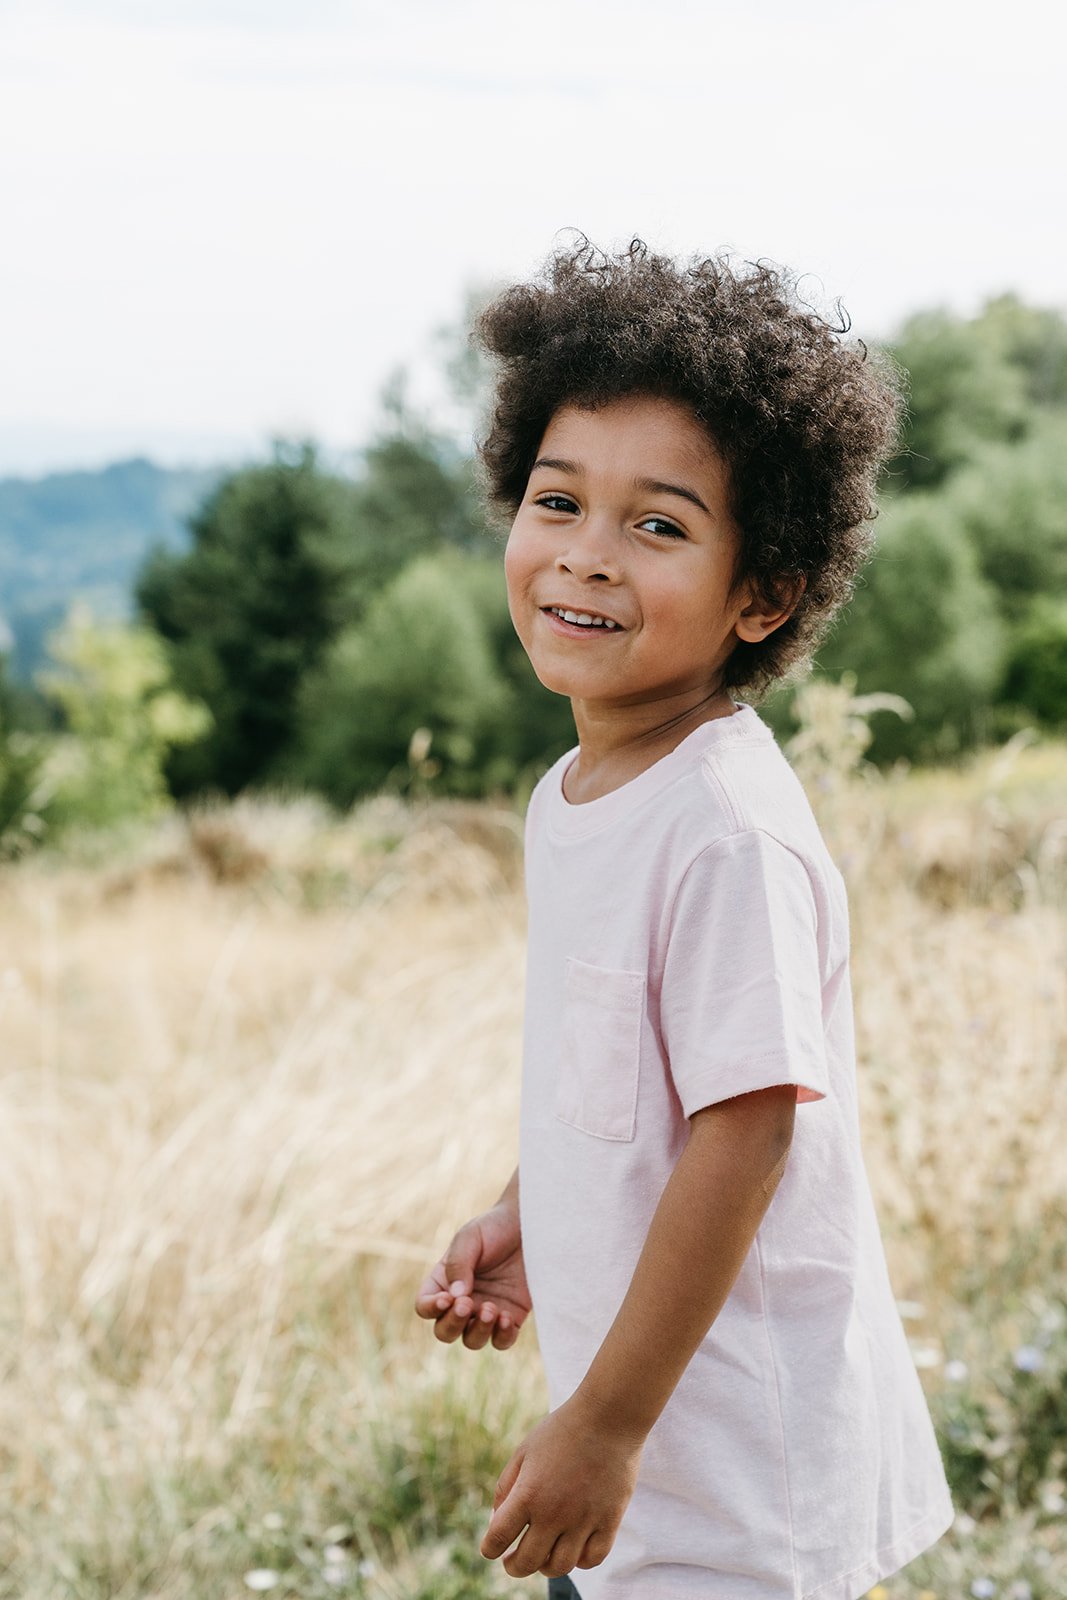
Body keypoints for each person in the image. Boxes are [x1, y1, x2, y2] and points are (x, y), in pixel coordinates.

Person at [414, 235, 955, 1600]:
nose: (587, 559)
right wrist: (533, 1206)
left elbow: (750, 1124)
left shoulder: (725, 830)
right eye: (558, 502)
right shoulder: (578, 792)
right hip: (650, 1469)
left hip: (737, 1479)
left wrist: (602, 1425)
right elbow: (636, 1075)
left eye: (657, 525)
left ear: (761, 593)